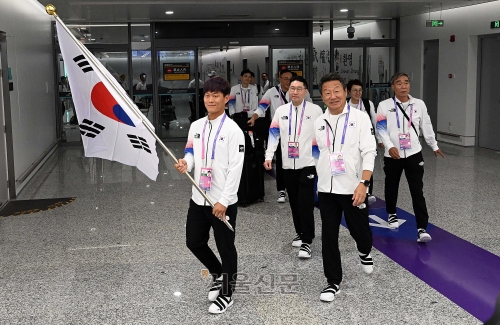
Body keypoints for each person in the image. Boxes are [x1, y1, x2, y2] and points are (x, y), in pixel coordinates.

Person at [174, 76, 245, 314]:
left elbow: (236, 169)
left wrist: (223, 201)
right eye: (207, 95)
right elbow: (191, 151)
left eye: (216, 95)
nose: (211, 99)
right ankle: (218, 274)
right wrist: (186, 162)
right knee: (193, 241)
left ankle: (227, 293)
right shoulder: (196, 126)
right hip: (199, 197)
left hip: (221, 202)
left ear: (226, 99)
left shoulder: (233, 130)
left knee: (226, 248)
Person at [314, 73, 376, 302]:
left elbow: (369, 152)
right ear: (322, 96)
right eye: (327, 92)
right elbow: (318, 152)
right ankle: (333, 282)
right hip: (327, 189)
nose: (333, 96)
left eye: (337, 91)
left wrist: (364, 183)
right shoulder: (319, 122)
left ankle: (364, 250)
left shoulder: (360, 118)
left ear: (345, 92)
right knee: (328, 235)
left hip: (353, 187)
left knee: (360, 231)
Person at [376, 72, 445, 242]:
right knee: (391, 186)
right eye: (399, 83)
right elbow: (381, 128)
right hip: (393, 155)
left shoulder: (418, 104)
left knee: (417, 191)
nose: (403, 86)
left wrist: (434, 145)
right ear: (393, 87)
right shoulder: (384, 105)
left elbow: (426, 125)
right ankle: (391, 213)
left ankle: (422, 228)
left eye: (406, 82)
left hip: (414, 153)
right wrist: (390, 146)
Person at [264, 76, 323, 258]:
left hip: (308, 163)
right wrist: (269, 155)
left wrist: (319, 163)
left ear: (306, 91)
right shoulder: (281, 110)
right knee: (295, 202)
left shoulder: (315, 110)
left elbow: (320, 138)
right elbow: (273, 134)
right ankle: (300, 232)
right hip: (288, 164)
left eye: (299, 88)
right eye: (292, 88)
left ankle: (307, 241)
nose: (295, 92)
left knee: (305, 202)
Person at [248, 69, 293, 203]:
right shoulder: (272, 92)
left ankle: (293, 188)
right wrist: (254, 117)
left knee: (295, 161)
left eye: (290, 79)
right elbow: (262, 107)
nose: (288, 82)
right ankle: (281, 190)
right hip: (279, 132)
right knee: (280, 161)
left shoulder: (298, 90)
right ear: (279, 78)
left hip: (296, 132)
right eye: (285, 78)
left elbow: (309, 106)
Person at [347, 79, 379, 205]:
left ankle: (367, 191)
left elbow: (375, 121)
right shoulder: (345, 105)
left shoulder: (367, 103)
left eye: (360, 90)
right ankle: (352, 190)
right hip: (350, 141)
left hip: (366, 140)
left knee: (367, 165)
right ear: (349, 92)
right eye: (354, 90)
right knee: (352, 166)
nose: (358, 93)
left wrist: (379, 139)